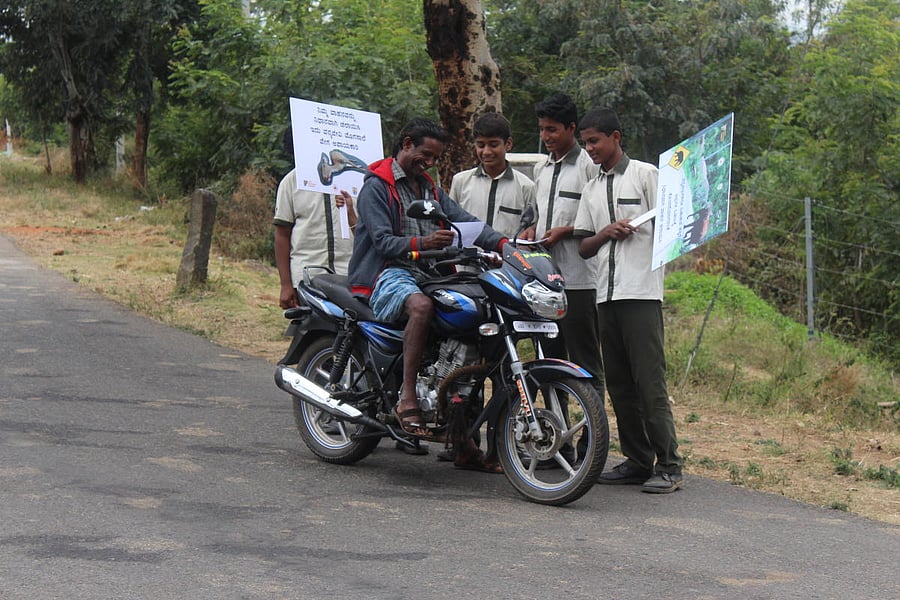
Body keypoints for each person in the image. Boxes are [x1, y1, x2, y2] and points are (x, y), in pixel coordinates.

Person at [348, 117, 508, 472]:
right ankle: (407, 397)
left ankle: (463, 442)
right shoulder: (377, 187)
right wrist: (423, 243)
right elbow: (381, 241)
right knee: (421, 307)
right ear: (406, 144)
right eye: (426, 155)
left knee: (471, 321)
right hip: (386, 272)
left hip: (429, 274)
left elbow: (465, 221)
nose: (431, 163)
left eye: (435, 158)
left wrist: (505, 245)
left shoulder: (430, 189)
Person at [575, 107, 684, 493]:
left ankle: (669, 464)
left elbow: (674, 226)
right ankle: (638, 461)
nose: (590, 149)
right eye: (585, 143)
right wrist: (606, 231)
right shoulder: (589, 188)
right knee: (620, 385)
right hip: (604, 295)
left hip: (641, 293)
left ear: (616, 137)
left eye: (595, 141)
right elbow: (585, 248)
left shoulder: (646, 175)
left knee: (648, 383)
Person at [531, 93, 605, 463]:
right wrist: (533, 231)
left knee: (586, 365)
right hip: (545, 283)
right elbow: (535, 216)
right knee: (550, 361)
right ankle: (556, 436)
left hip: (580, 281)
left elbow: (599, 217)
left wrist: (566, 230)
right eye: (542, 129)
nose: (546, 136)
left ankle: (590, 443)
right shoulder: (541, 169)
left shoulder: (589, 167)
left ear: (572, 129)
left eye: (553, 130)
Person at [273, 128, 356, 309]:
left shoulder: (357, 182)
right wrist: (286, 285)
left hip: (350, 276)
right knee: (311, 334)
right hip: (307, 278)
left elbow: (365, 230)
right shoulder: (291, 182)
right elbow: (282, 234)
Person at [449, 112, 536, 239]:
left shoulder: (526, 187)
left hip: (507, 257)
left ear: (508, 144)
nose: (486, 152)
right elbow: (451, 222)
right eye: (481, 145)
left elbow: (530, 229)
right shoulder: (460, 182)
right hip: (468, 257)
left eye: (493, 145)